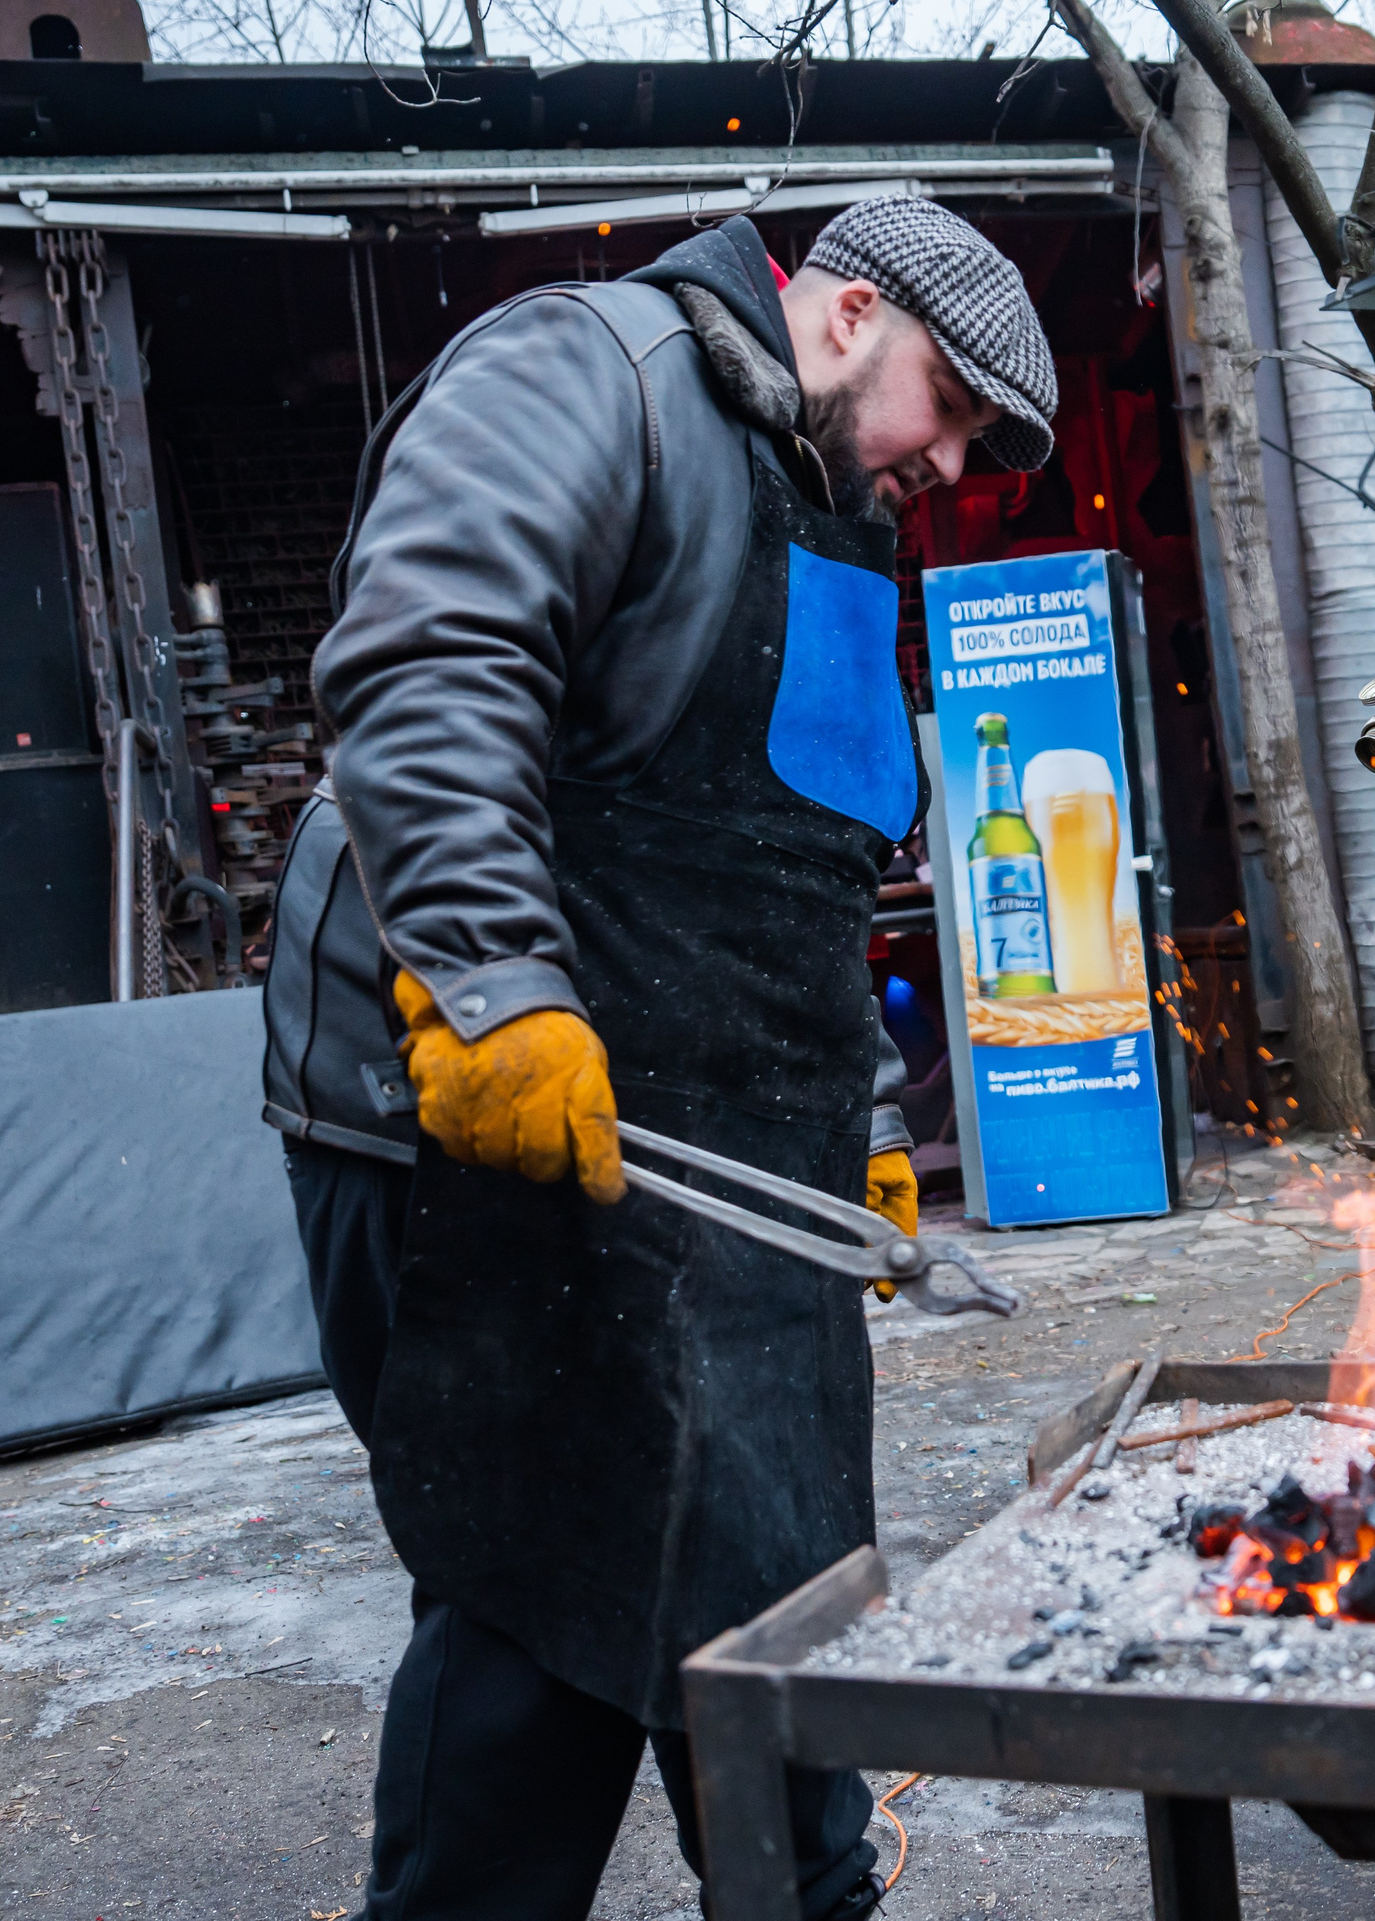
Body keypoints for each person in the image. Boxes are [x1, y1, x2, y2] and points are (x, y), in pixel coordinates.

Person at [258, 199, 1057, 1918]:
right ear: (847, 311)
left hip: (723, 1150)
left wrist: (850, 1129)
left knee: (778, 1567)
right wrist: (490, 992)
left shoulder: (844, 536)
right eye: (952, 406)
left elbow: (801, 866)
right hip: (460, 1110)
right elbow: (431, 659)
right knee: (540, 1593)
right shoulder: (586, 370)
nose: (951, 462)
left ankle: (804, 1890)